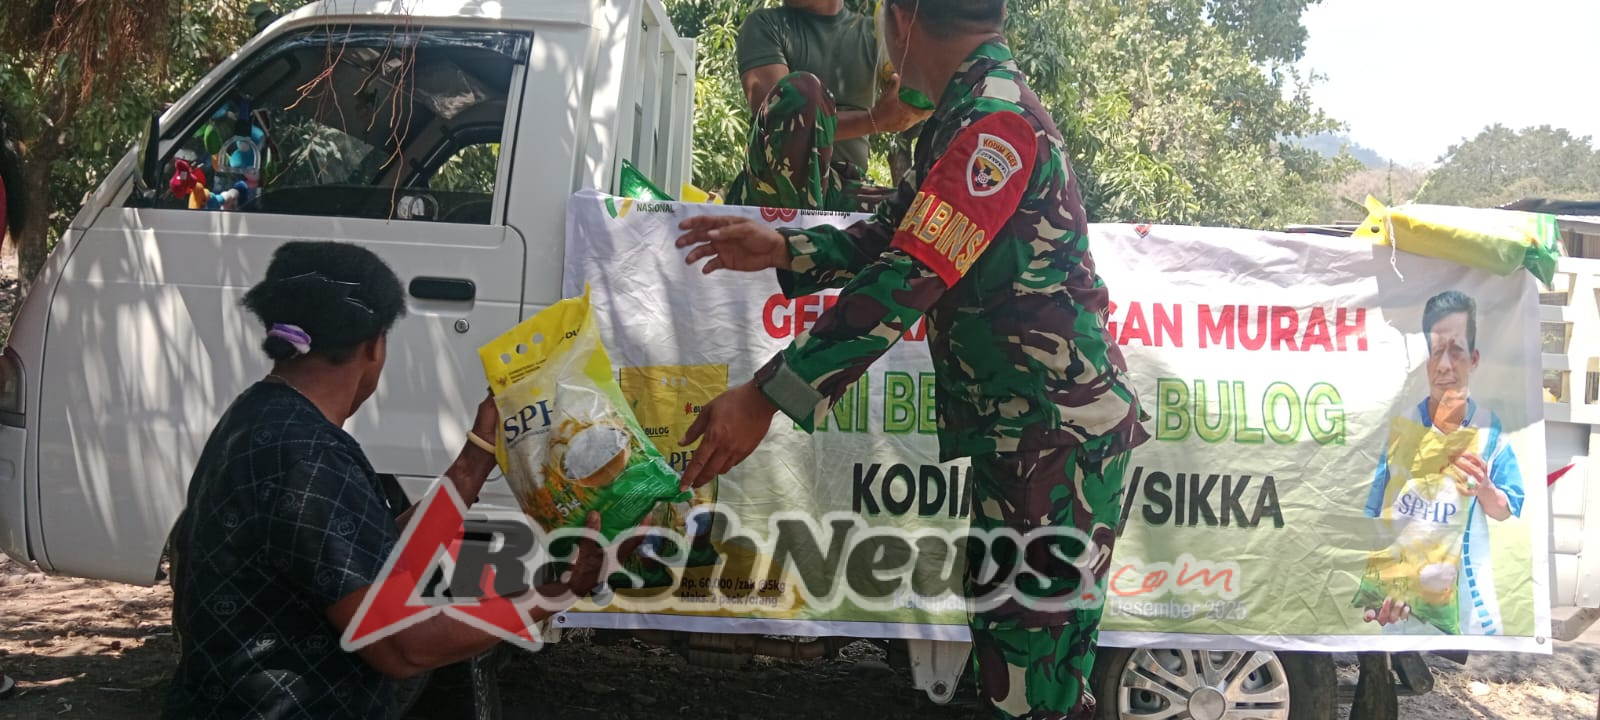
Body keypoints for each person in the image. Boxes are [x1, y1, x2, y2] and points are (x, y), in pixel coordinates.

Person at [674, 1, 1149, 717]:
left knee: (1029, 687)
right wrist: (785, 248)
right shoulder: (968, 116)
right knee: (1027, 668)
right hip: (1031, 436)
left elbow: (912, 273)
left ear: (903, 17)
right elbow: (901, 234)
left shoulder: (994, 123)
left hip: (1052, 441)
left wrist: (764, 396)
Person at [162, 241, 619, 718]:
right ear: (375, 345)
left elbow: (373, 564)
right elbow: (403, 646)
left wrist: (477, 457)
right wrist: (563, 589)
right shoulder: (310, 457)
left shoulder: (258, 416)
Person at [1362, 290, 1524, 636]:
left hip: (1467, 609)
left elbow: (1504, 509)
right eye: (1437, 351)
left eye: (1456, 350)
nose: (1446, 365)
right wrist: (1379, 587)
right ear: (1427, 361)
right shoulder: (1401, 430)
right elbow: (1377, 517)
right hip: (1405, 604)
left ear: (1474, 358)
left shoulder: (1489, 430)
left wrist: (1484, 488)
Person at [728, 0, 930, 211]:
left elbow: (930, 93)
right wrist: (875, 120)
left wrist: (912, 102)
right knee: (802, 90)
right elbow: (780, 124)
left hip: (846, 185)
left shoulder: (875, 32)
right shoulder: (765, 24)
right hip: (773, 184)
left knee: (922, 215)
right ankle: (802, 231)